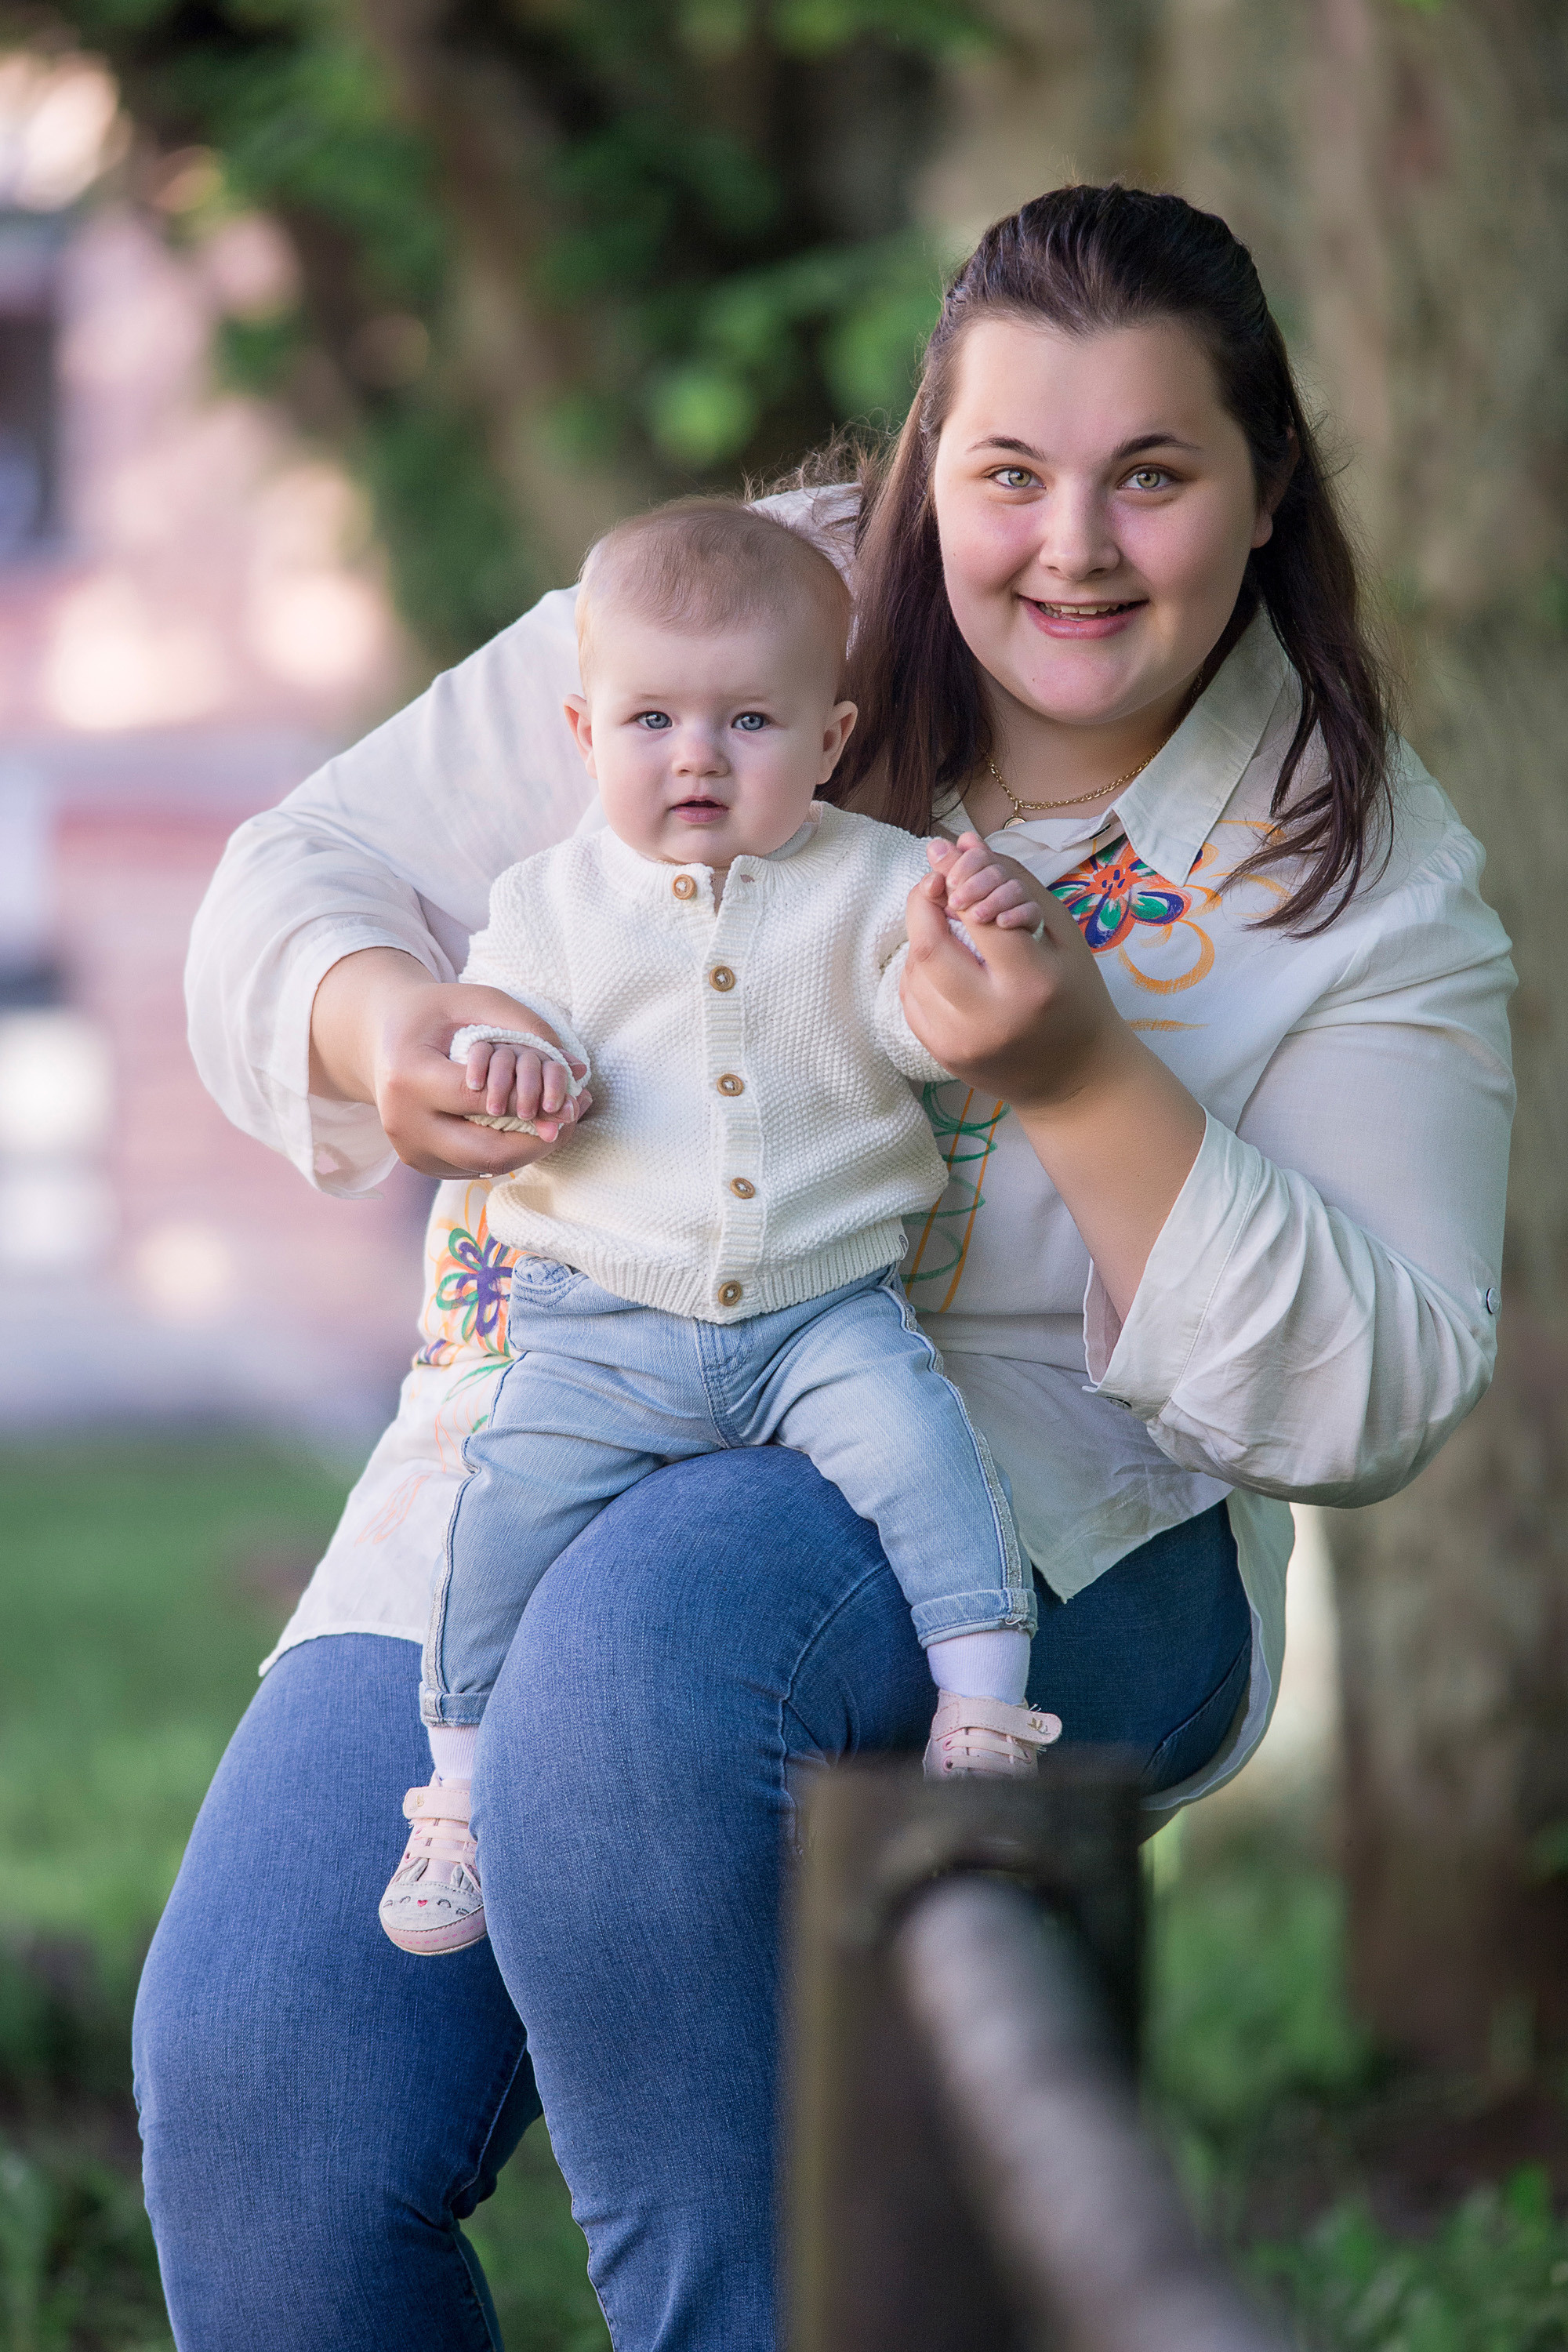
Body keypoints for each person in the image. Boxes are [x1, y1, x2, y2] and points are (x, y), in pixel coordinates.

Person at [134, 184, 1514, 2351]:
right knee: (266, 2112)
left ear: (1265, 499)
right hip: (554, 1415)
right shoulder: (750, 607)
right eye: (1008, 474)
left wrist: (1082, 1076)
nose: (1071, 545)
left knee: (646, 1654)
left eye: (1152, 475)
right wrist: (382, 1031)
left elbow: (1388, 1384)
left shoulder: (1355, 870)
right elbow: (311, 867)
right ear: (916, 472)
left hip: (1042, 1503)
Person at [383, 497, 1060, 1956]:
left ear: (827, 738)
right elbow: (502, 1038)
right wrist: (507, 1064)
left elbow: (919, 1029)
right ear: (582, 733)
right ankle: (456, 1796)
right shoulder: (550, 906)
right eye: (650, 721)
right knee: (502, 1514)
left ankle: (989, 1709)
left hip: (824, 1309)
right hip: (604, 1321)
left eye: (749, 720)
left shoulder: (878, 880)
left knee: (924, 1458)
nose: (696, 756)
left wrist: (973, 951)